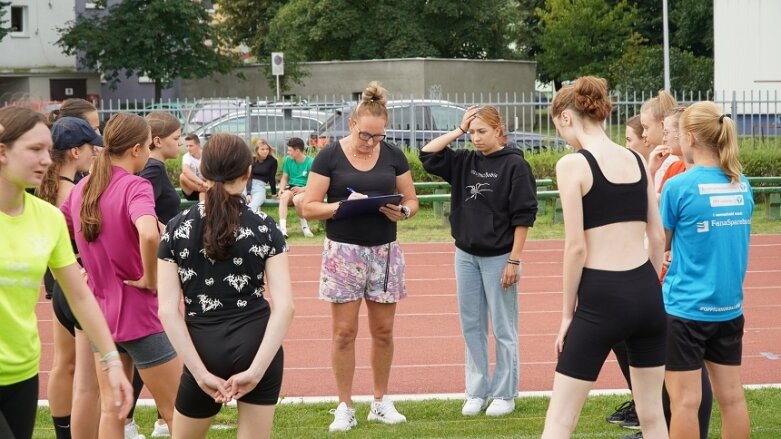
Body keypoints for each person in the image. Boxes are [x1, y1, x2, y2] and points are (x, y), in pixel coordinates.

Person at [540, 76, 668, 439]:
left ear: (566, 117)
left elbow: (576, 247)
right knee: (653, 417)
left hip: (601, 298)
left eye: (558, 126)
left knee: (561, 421)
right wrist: (647, 286)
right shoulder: (637, 160)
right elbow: (656, 236)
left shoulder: (573, 165)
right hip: (645, 292)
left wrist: (567, 315)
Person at [0, 106, 132, 439]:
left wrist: (112, 360)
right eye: (34, 149)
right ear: (2, 152)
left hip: (22, 372)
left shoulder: (49, 218)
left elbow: (80, 295)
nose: (46, 159)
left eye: (47, 149)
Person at [157, 133, 294, 439]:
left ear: (202, 172)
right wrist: (257, 370)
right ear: (248, 172)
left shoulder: (176, 228)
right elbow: (285, 306)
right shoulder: (265, 226)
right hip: (257, 343)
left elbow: (167, 310)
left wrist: (199, 372)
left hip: (202, 347)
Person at [301, 81, 419, 433]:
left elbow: (411, 200)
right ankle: (344, 405)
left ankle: (380, 402)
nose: (371, 142)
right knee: (344, 333)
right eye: (366, 135)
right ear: (352, 124)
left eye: (379, 136)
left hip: (385, 251)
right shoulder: (330, 156)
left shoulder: (394, 156)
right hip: (343, 252)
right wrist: (341, 207)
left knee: (383, 331)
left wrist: (406, 213)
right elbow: (308, 207)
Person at [60, 112, 182, 439]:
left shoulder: (83, 187)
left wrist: (78, 266)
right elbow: (149, 234)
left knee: (113, 409)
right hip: (139, 312)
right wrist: (149, 277)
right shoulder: (135, 186)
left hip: (101, 316)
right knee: (177, 409)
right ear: (137, 150)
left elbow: (58, 230)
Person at [420, 105, 537, 417]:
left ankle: (505, 394)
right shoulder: (464, 161)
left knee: (503, 327)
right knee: (471, 326)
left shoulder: (515, 165)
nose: (475, 138)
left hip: (499, 256)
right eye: (472, 132)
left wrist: (514, 260)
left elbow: (524, 216)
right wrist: (458, 130)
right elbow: (428, 155)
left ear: (499, 131)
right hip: (466, 256)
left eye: (481, 131)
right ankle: (476, 391)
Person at [660, 102, 752, 439]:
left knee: (684, 402)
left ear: (690, 138)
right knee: (732, 398)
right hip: (729, 307)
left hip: (686, 309)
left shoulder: (679, 186)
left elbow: (660, 244)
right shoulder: (742, 184)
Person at [35, 116, 101, 439]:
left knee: (64, 363)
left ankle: (63, 432)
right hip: (72, 279)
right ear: (76, 152)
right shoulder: (71, 191)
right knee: (87, 375)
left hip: (55, 282)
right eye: (91, 147)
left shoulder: (45, 184)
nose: (94, 153)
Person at [140, 110, 182, 225]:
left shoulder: (154, 166)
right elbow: (141, 213)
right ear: (158, 141)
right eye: (176, 138)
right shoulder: (154, 169)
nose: (180, 143)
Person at [640, 91, 680, 191]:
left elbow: (656, 201)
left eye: (646, 127)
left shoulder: (668, 163)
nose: (643, 134)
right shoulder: (664, 159)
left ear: (663, 125)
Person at [277, 137, 314, 238]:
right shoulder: (288, 160)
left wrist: (302, 189)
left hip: (306, 189)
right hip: (292, 188)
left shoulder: (311, 162)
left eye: (290, 150)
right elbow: (284, 178)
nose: (288, 152)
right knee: (284, 197)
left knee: (297, 200)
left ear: (297, 151)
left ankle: (305, 227)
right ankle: (283, 230)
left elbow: (313, 182)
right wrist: (281, 189)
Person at [246, 138, 278, 213]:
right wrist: (248, 193)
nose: (265, 151)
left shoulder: (273, 161)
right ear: (257, 150)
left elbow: (272, 178)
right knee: (241, 205)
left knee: (251, 207)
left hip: (260, 187)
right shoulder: (252, 159)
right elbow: (248, 177)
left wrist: (274, 194)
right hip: (248, 186)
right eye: (262, 149)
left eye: (267, 149)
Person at [179, 134, 207, 202]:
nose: (188, 148)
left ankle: (202, 211)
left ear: (198, 145)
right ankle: (201, 189)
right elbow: (185, 171)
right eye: (187, 146)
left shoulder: (206, 154)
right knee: (182, 176)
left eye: (191, 146)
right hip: (192, 189)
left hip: (206, 187)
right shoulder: (186, 157)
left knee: (203, 194)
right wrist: (201, 183)